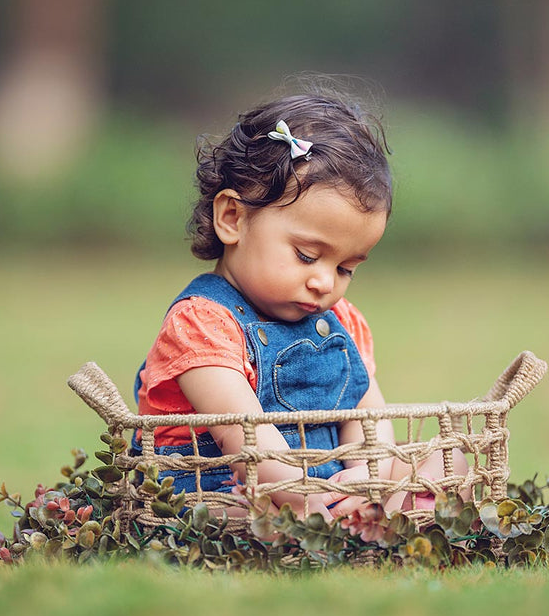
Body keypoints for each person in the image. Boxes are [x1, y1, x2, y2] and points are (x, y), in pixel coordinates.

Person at [132, 90, 455, 518]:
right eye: (306, 256)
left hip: (330, 488)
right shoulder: (202, 323)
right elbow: (247, 441)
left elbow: (368, 417)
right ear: (233, 217)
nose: (325, 282)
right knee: (227, 512)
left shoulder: (339, 321)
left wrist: (367, 476)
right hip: (234, 488)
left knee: (446, 462)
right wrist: (309, 500)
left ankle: (374, 516)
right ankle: (355, 525)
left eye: (346, 268)